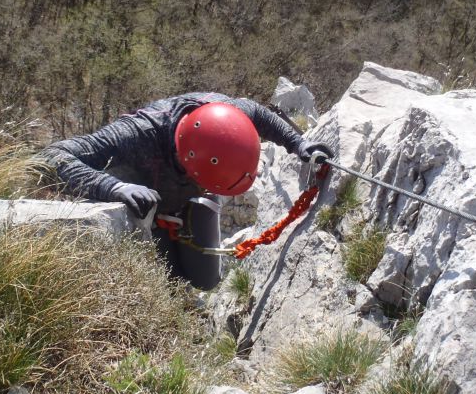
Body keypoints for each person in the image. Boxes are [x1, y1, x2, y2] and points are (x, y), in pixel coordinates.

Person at [41, 92, 332, 290]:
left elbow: (258, 112)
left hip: (187, 200)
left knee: (205, 281)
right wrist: (114, 187)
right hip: (144, 207)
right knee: (166, 280)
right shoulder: (137, 134)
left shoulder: (227, 114)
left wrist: (298, 144)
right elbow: (51, 157)